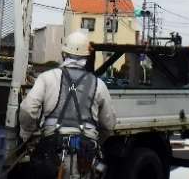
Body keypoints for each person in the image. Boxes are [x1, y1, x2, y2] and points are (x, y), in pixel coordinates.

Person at [19, 30, 116, 178]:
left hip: (51, 154)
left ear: (63, 53)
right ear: (87, 56)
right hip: (83, 157)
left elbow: (28, 110)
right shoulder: (99, 85)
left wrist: (27, 134)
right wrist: (92, 141)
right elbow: (108, 125)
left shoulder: (46, 78)